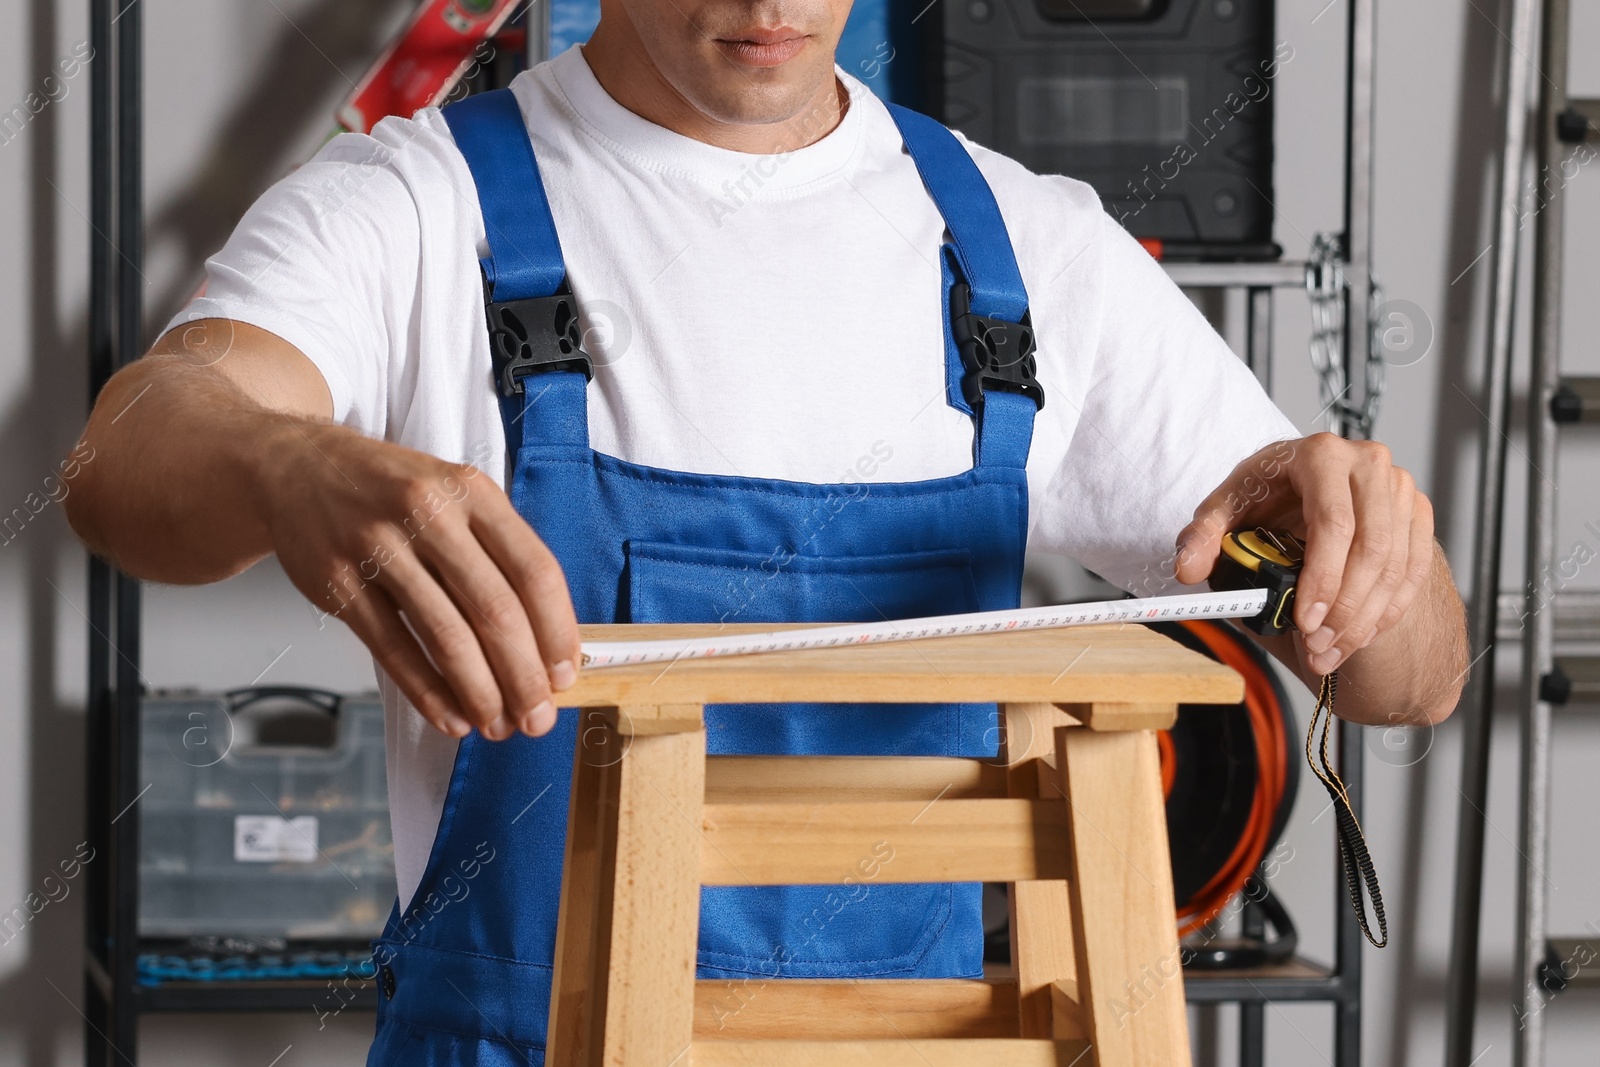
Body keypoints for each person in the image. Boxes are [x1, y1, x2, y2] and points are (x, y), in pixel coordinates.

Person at [65, 0, 1468, 1059]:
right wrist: (285, 460)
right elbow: (128, 462)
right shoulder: (420, 207)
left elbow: (1404, 680)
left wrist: (1372, 551)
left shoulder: (1021, 250)